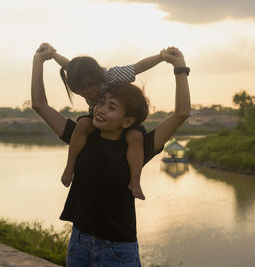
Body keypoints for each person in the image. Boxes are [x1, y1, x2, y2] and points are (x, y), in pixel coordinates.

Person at [31, 43, 190, 266]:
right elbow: (39, 104)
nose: (100, 109)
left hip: (117, 250)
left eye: (111, 107)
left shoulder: (138, 146)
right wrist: (39, 60)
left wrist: (179, 67)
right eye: (101, 103)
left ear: (127, 121)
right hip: (80, 242)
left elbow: (182, 113)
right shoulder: (81, 136)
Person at [41, 43, 164, 200]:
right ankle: (69, 167)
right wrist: (53, 54)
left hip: (121, 117)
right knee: (83, 124)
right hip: (98, 119)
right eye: (80, 94)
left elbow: (138, 66)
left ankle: (135, 182)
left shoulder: (112, 75)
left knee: (136, 137)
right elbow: (69, 66)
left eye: (89, 92)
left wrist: (161, 57)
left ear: (97, 77)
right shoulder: (82, 80)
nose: (87, 96)